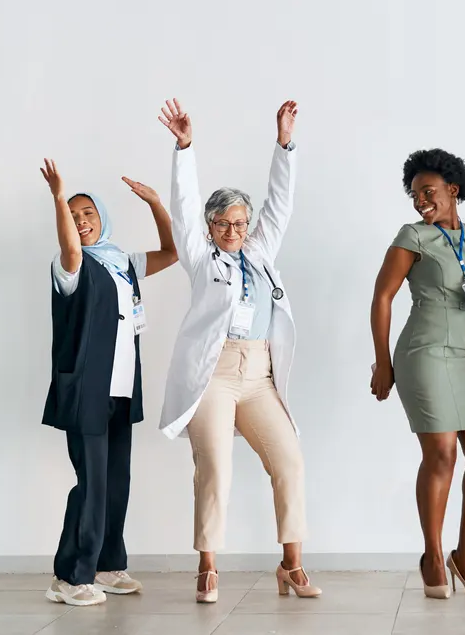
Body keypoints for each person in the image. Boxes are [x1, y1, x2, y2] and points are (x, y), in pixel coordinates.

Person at [156, 98, 320, 603]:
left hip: (260, 376)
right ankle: (207, 568)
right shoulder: (202, 258)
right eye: (225, 223)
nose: (235, 231)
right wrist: (185, 147)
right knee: (215, 470)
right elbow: (183, 208)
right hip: (215, 375)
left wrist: (285, 143)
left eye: (241, 223)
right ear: (210, 227)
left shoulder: (260, 250)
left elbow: (281, 203)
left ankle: (291, 565)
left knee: (289, 460)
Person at [369, 149, 465, 599]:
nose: (420, 201)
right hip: (424, 352)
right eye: (415, 194)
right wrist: (383, 362)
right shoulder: (412, 236)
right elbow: (382, 297)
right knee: (442, 454)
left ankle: (464, 555)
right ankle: (432, 555)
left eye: (428, 192)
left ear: (453, 191)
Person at [38, 160, 178, 607]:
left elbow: (172, 252)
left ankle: (107, 564)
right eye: (73, 215)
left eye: (87, 214)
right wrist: (58, 196)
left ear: (102, 218)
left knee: (117, 479)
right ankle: (69, 576)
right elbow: (71, 247)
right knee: (92, 482)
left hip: (121, 387)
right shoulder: (70, 265)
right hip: (85, 388)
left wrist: (156, 203)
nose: (81, 221)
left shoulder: (122, 261)